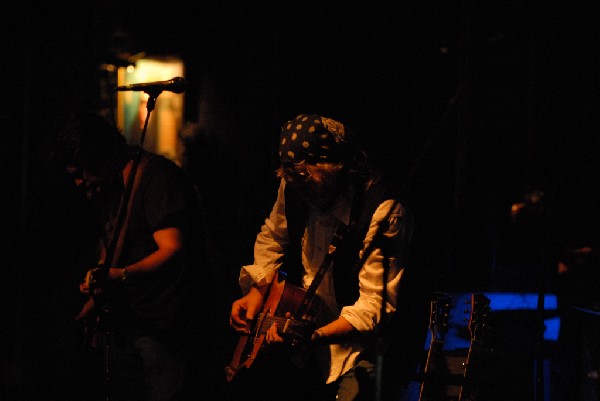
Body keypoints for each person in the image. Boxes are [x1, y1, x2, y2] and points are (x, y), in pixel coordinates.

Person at [227, 113, 422, 401]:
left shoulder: (383, 211)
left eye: (307, 178)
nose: (300, 187)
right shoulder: (294, 185)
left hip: (362, 350)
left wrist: (314, 336)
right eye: (292, 178)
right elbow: (273, 237)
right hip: (309, 352)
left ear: (335, 168)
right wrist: (259, 290)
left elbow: (373, 306)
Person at [47, 111, 215, 401]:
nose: (78, 183)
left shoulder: (156, 177)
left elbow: (172, 248)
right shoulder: (113, 188)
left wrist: (120, 276)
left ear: (97, 155)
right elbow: (115, 246)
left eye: (81, 172)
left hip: (164, 329)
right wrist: (97, 291)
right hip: (132, 326)